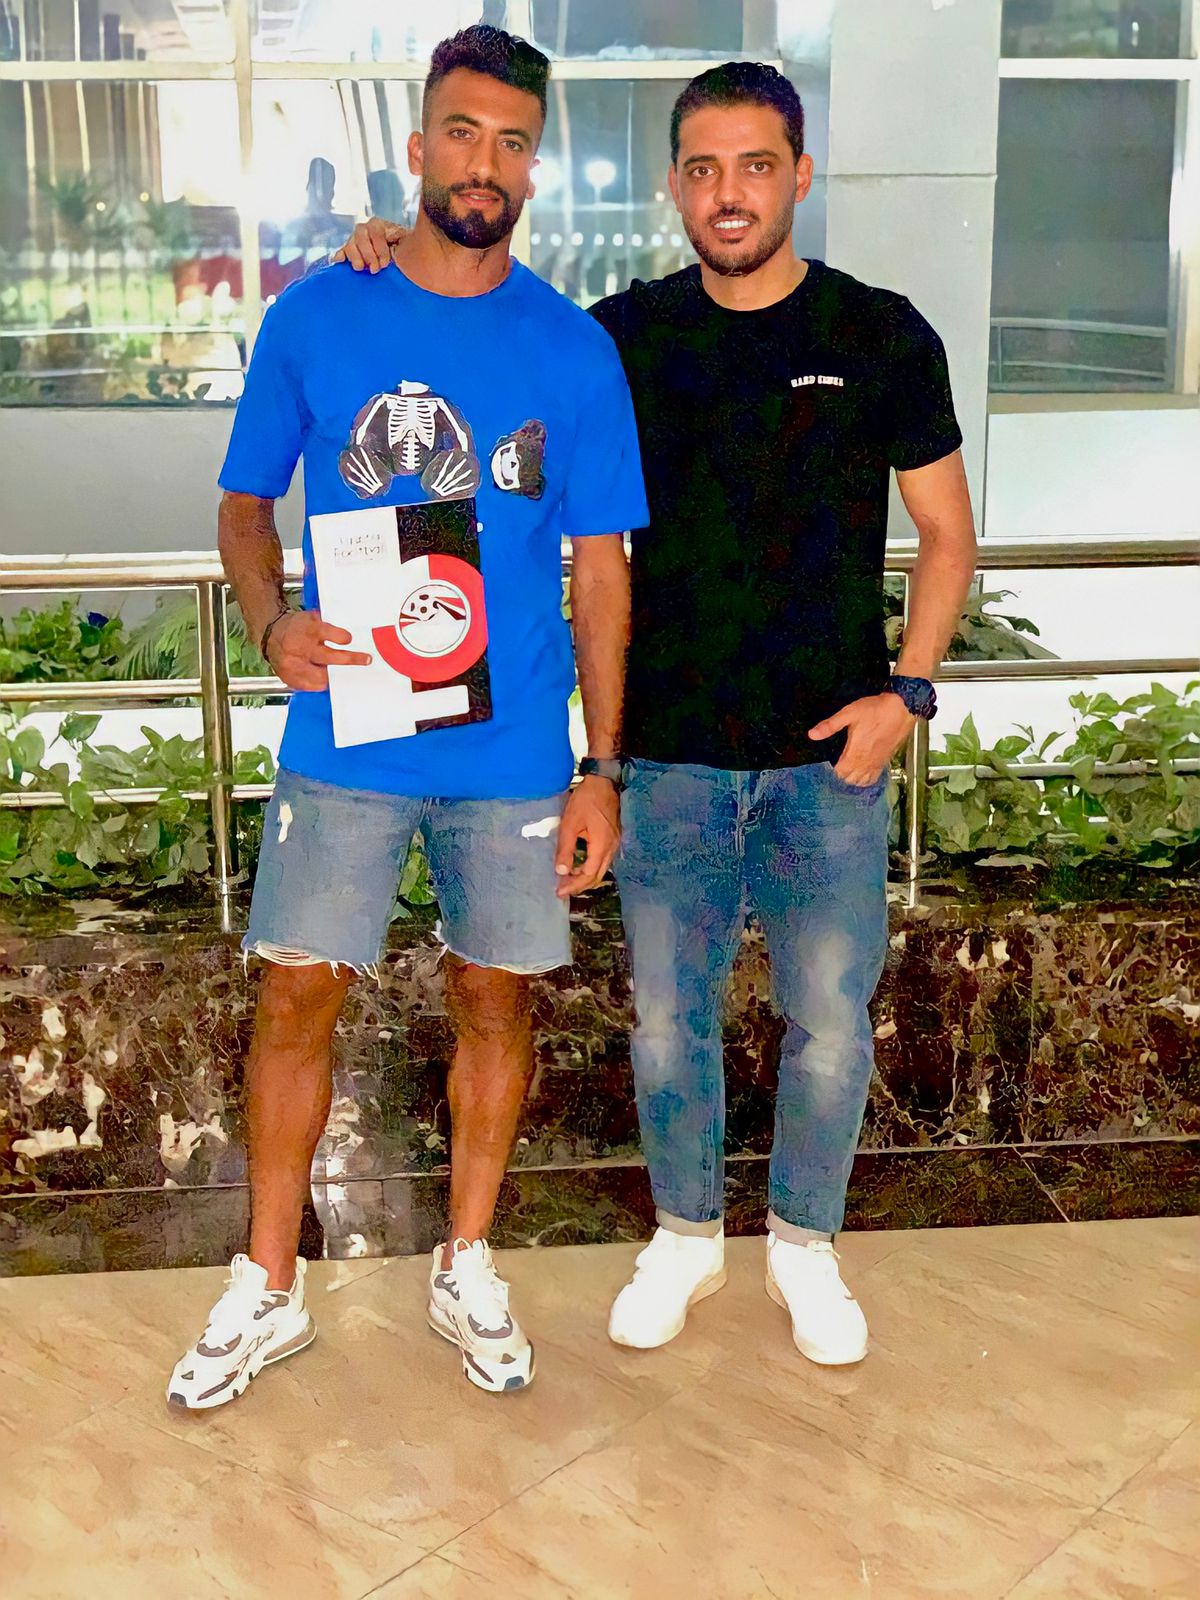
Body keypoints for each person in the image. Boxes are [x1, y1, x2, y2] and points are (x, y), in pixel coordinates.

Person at [344, 60, 977, 1369]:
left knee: (828, 1025)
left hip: (831, 765)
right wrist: (379, 258)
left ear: (799, 177)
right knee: (664, 1024)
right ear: (673, 186)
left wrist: (906, 694)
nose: (728, 192)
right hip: (670, 762)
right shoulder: (618, 339)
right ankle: (686, 1237)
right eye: (703, 169)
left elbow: (948, 533)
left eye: (756, 166)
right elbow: (481, 344)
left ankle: (805, 1249)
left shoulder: (880, 333)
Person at [167, 24, 646, 1410]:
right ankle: (269, 1283)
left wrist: (601, 767)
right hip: (350, 737)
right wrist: (270, 623)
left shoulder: (575, 350)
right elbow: (244, 508)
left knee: (497, 999)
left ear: (535, 166)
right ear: (422, 142)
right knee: (296, 994)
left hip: (514, 753)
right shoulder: (320, 313)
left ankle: (466, 1261)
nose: (484, 162)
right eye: (463, 132)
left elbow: (603, 572)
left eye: (512, 142)